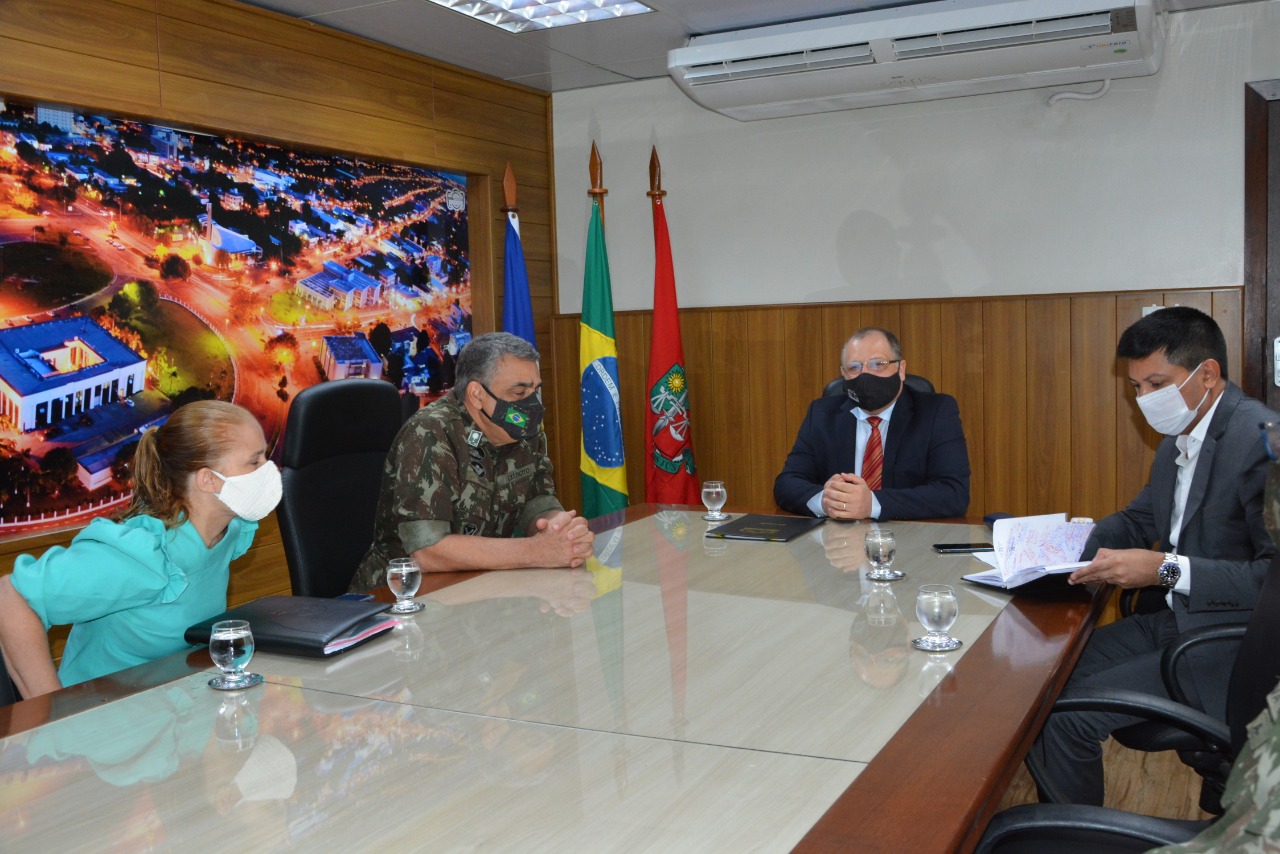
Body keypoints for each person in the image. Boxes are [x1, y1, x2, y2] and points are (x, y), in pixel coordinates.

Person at [1027, 306, 1279, 806]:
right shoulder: (1179, 437)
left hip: (1242, 644)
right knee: (1040, 683)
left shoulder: (1261, 442)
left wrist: (1163, 568)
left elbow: (1272, 580)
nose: (1144, 400)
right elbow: (1141, 520)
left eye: (1156, 384)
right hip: (1177, 620)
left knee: (1065, 715)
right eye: (1136, 387)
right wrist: (1056, 549)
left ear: (1208, 373)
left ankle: (1078, 841)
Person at [0, 401, 279, 698]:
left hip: (167, 716)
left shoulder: (230, 532)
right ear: (208, 480)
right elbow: (11, 597)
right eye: (254, 462)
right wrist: (52, 715)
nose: (268, 471)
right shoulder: (145, 554)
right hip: (99, 728)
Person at [350, 332, 593, 591]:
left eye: (535, 390)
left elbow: (538, 501)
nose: (531, 405)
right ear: (477, 394)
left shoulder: (522, 429)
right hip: (398, 598)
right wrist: (536, 551)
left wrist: (561, 532)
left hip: (479, 587)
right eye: (519, 392)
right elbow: (428, 551)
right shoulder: (431, 432)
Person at [773, 327, 971, 521]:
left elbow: (954, 494)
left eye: (878, 364)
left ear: (901, 369)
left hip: (909, 539)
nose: (865, 374)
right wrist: (825, 500)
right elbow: (787, 484)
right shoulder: (822, 413)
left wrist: (872, 504)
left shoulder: (936, 412)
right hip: (838, 541)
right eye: (854, 367)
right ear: (843, 373)